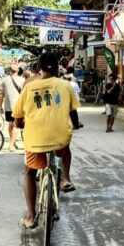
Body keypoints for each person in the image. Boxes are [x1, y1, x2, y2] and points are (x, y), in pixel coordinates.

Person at [12, 50, 82, 230]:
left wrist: (19, 124)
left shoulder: (29, 87)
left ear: (39, 68)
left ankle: (31, 216)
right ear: (58, 69)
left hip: (36, 140)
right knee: (65, 150)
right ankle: (65, 179)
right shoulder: (66, 85)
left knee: (29, 173)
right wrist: (76, 125)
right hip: (59, 137)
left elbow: (18, 118)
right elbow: (73, 111)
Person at [0, 62, 25, 151]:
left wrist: (0, 106)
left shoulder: (5, 80)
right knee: (15, 125)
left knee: (10, 125)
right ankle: (11, 144)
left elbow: (2, 94)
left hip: (8, 106)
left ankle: (12, 142)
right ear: (18, 71)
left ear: (9, 70)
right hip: (18, 106)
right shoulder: (22, 80)